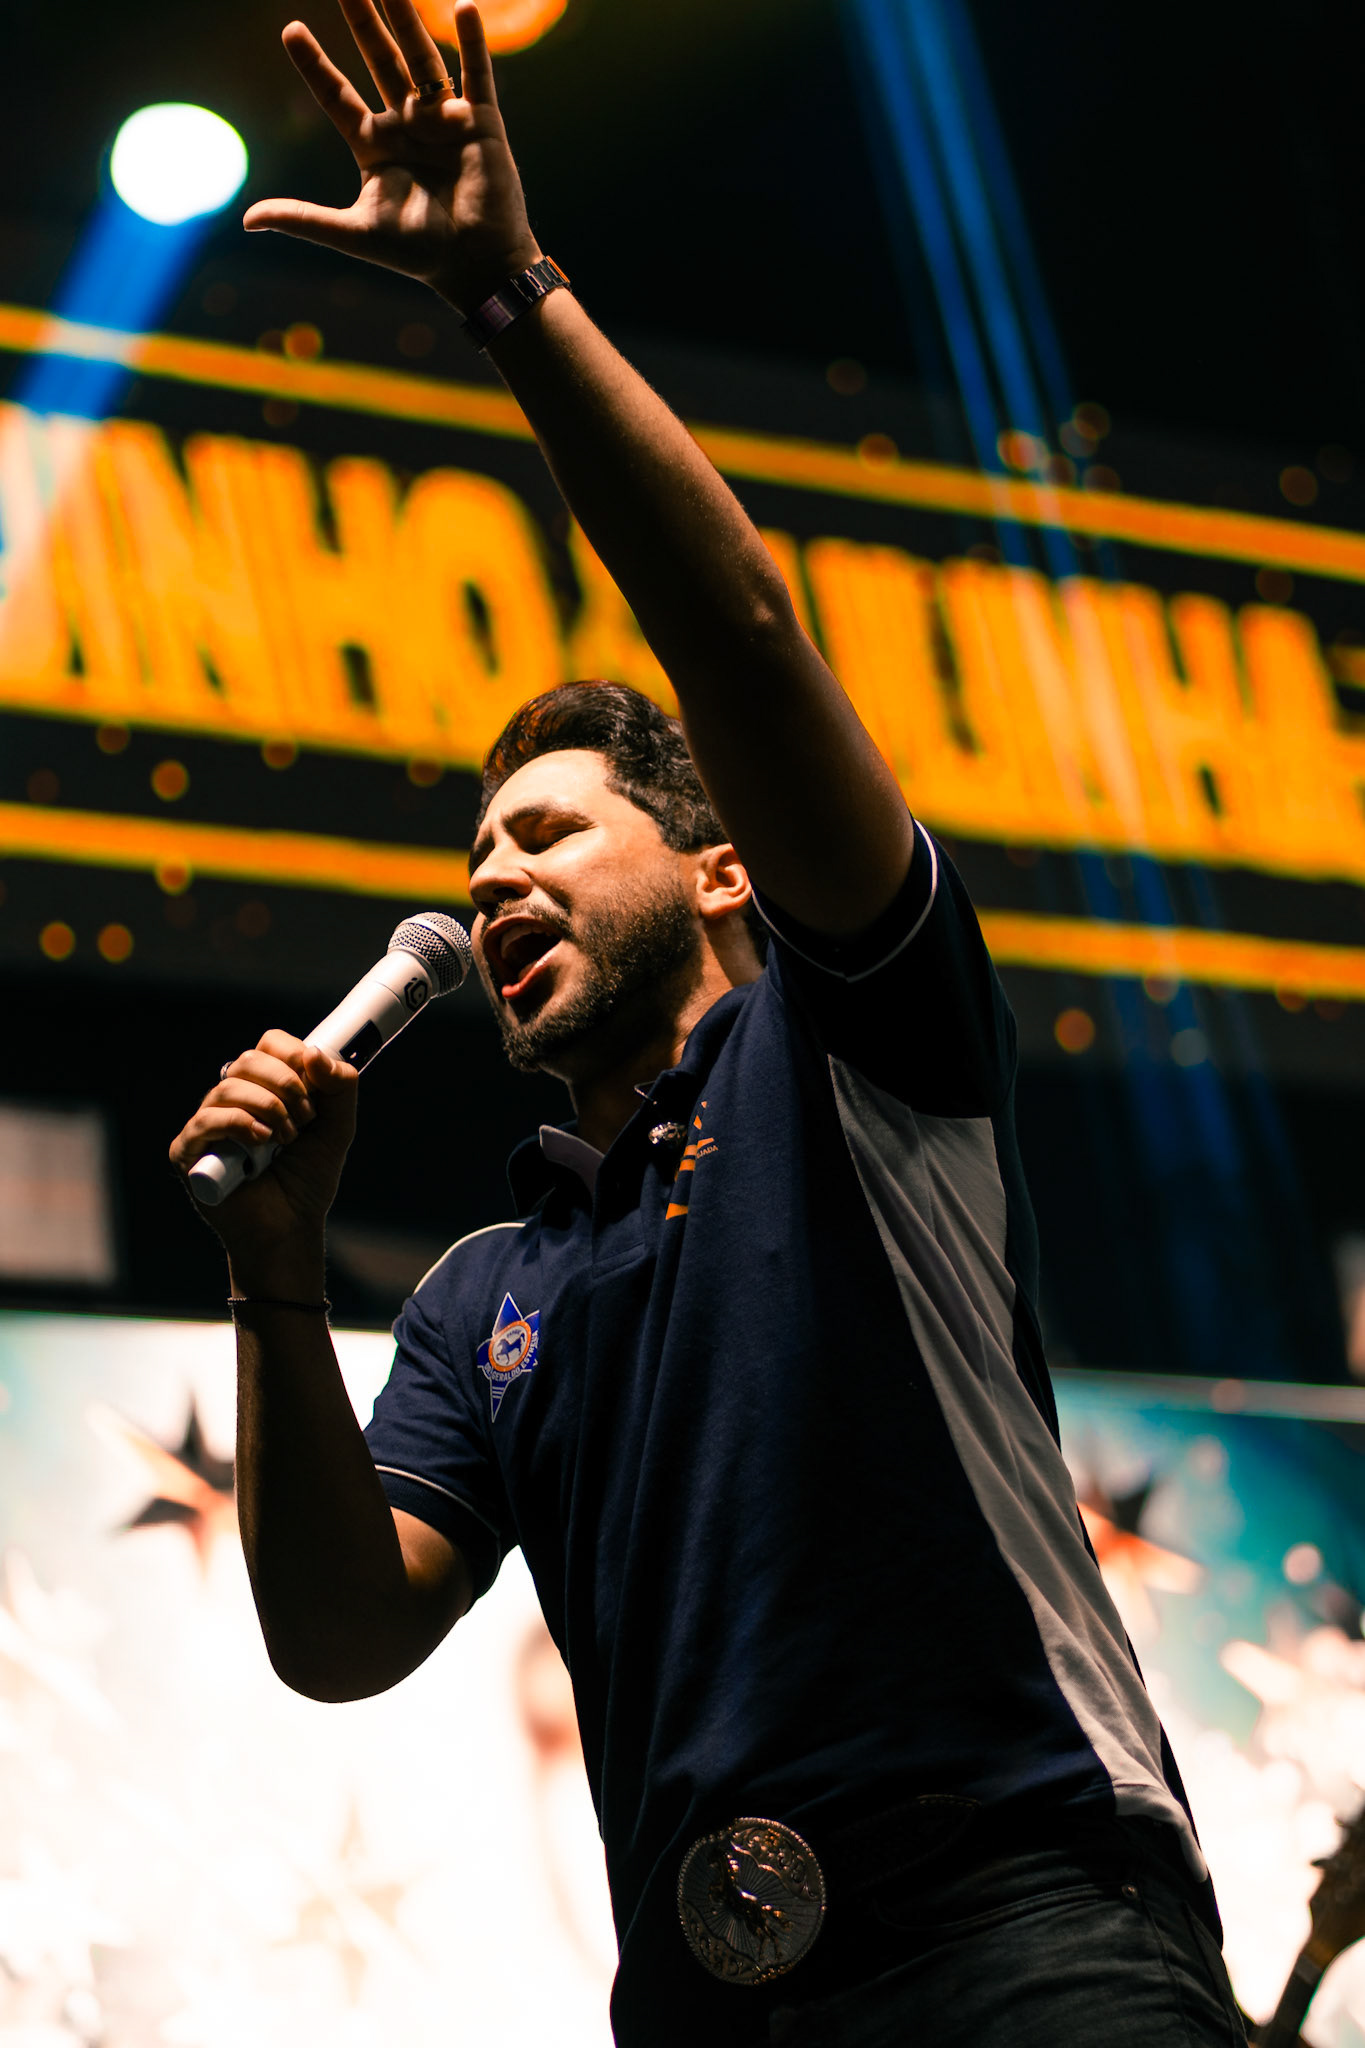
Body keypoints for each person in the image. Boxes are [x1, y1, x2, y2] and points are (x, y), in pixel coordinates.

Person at [169, 5, 1246, 2042]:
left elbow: (737, 628)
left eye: (548, 834)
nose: (494, 881)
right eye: (474, 857)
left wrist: (511, 296)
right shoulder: (487, 1288)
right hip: (705, 2004)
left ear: (725, 868)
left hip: (1024, 1928)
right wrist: (275, 1271)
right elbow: (337, 1637)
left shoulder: (857, 1047)